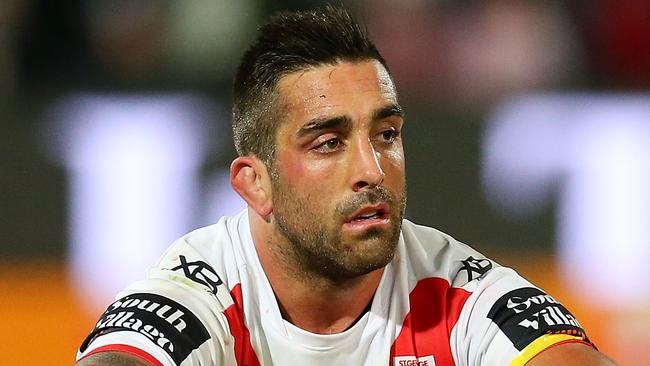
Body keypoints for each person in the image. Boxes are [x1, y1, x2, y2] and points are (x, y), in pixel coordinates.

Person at [75, 5, 617, 366]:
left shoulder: (458, 294)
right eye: (328, 142)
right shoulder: (199, 298)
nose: (372, 170)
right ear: (255, 185)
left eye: (386, 134)